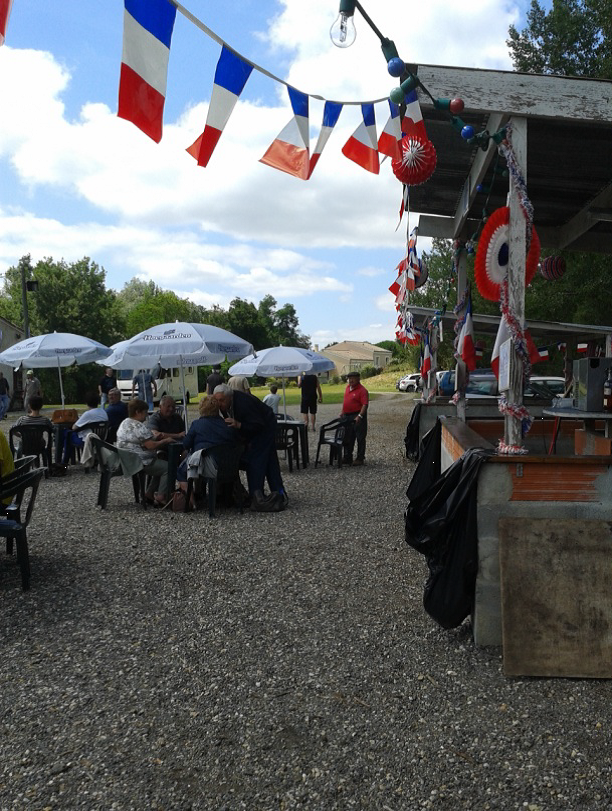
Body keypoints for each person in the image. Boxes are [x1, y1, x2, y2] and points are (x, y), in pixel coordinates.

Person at [213, 383, 287, 512]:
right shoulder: (226, 404)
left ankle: (256, 495)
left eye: (221, 400)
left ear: (229, 397)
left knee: (256, 460)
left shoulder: (244, 403)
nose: (219, 404)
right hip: (256, 427)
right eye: (217, 400)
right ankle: (279, 492)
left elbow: (258, 425)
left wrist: (240, 425)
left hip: (266, 427)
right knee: (270, 460)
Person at [116, 398, 175, 505]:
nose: (147, 415)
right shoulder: (138, 426)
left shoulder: (124, 423)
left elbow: (141, 440)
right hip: (140, 461)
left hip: (127, 459)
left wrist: (155, 437)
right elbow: (151, 446)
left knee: (160, 463)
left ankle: (149, 492)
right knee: (169, 467)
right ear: (138, 412)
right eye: (145, 412)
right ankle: (161, 496)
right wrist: (165, 440)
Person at [62, 392, 108, 463]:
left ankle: (65, 460)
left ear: (86, 402)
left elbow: (74, 427)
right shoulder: (103, 412)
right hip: (101, 438)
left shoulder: (88, 414)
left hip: (87, 441)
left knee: (67, 433)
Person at [340, 370, 369, 466]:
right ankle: (348, 456)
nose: (351, 380)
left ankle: (360, 458)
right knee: (348, 437)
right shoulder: (348, 388)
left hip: (357, 415)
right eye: (349, 378)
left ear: (358, 379)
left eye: (353, 378)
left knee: (360, 437)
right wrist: (343, 412)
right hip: (347, 415)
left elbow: (365, 404)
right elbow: (346, 401)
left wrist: (360, 416)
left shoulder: (362, 390)